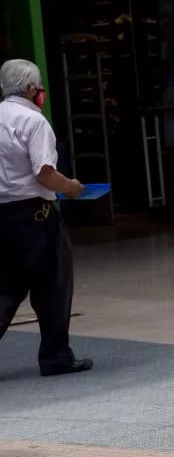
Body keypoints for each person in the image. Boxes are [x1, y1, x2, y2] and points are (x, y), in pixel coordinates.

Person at [0, 59, 93, 376]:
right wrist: (71, 188)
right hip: (34, 215)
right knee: (53, 285)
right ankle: (55, 356)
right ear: (31, 89)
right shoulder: (33, 122)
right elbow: (44, 174)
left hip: (3, 215)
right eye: (39, 88)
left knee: (6, 288)